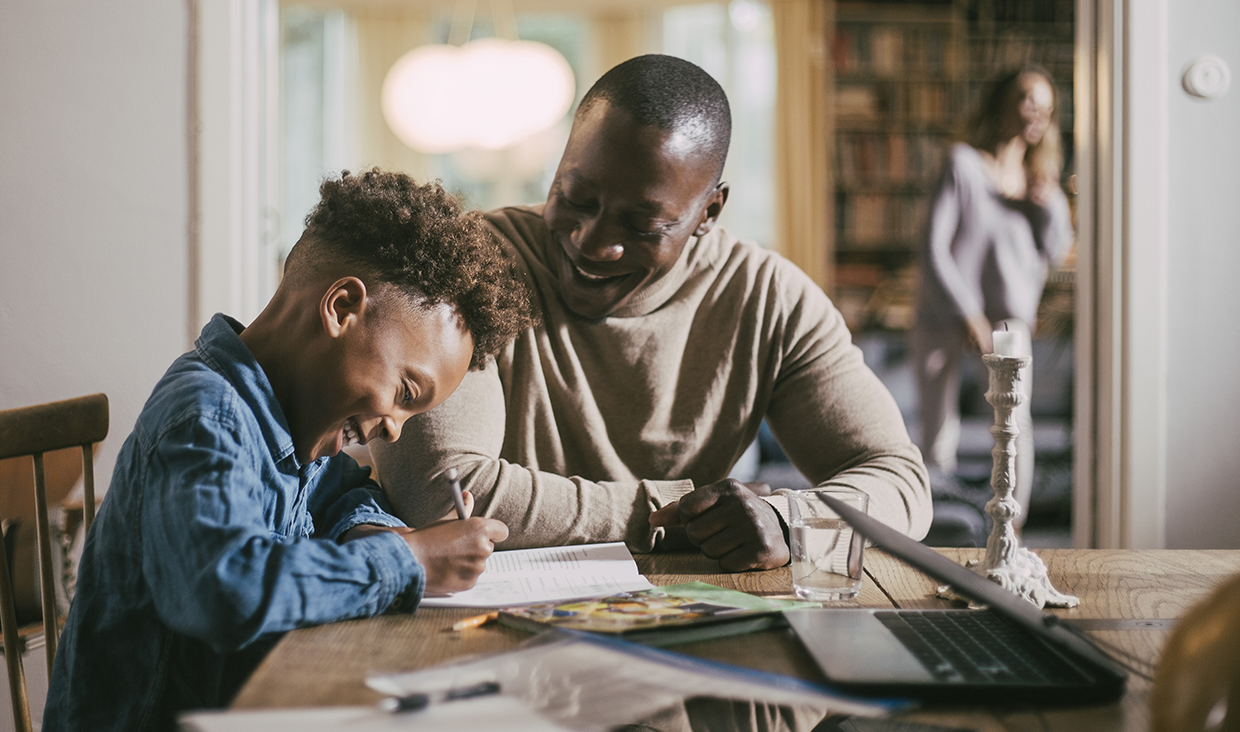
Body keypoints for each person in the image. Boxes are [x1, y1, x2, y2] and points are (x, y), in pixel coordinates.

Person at [371, 55, 932, 574]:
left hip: (693, 614)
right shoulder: (468, 265)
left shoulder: (768, 298)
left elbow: (900, 481)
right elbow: (441, 493)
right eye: (575, 198)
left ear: (709, 211)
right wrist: (671, 515)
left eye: (642, 225)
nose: (592, 243)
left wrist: (789, 519)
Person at [44, 170, 531, 731]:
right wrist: (411, 560)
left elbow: (341, 490)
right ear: (343, 307)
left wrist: (373, 530)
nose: (394, 430)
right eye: (404, 394)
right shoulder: (206, 418)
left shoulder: (294, 423)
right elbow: (223, 589)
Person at [912, 66, 1074, 521]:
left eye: (1045, 103)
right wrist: (969, 316)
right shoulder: (962, 163)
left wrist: (1046, 207)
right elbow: (933, 247)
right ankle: (933, 527)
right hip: (944, 318)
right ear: (1002, 102)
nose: (1036, 110)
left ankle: (1011, 533)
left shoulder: (1042, 185)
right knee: (936, 436)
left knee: (1014, 429)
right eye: (1026, 97)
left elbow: (1056, 252)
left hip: (1008, 325)